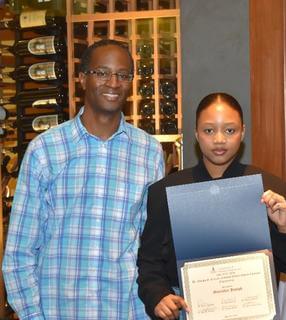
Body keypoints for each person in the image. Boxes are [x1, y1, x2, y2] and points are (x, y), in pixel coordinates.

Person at [2, 39, 165, 319]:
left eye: (123, 75)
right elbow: (19, 253)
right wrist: (34, 316)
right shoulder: (46, 149)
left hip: (125, 312)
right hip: (58, 311)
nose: (113, 83)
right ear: (81, 78)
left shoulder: (149, 152)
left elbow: (149, 249)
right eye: (102, 72)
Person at [137, 92, 286, 320]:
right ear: (196, 133)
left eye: (230, 130)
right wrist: (158, 296)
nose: (219, 139)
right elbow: (149, 262)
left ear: (243, 132)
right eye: (209, 130)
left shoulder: (270, 188)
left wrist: (284, 228)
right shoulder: (165, 191)